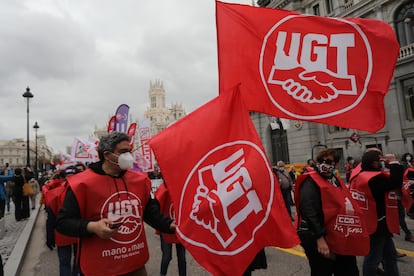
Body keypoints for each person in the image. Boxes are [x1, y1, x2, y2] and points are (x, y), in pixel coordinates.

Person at [56, 132, 176, 276]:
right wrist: (93, 227)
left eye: (130, 151)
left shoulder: (140, 180)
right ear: (107, 155)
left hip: (135, 262)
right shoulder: (81, 184)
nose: (129, 156)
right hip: (100, 267)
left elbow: (150, 212)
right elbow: (63, 223)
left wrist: (170, 225)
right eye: (123, 152)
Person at [295, 148, 369, 276]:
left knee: (349, 269)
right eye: (321, 161)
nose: (324, 164)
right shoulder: (310, 180)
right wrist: (320, 238)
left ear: (335, 163)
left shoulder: (336, 180)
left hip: (337, 232)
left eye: (329, 161)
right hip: (316, 234)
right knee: (323, 270)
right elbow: (308, 210)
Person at [349, 149, 404, 276]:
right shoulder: (371, 179)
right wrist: (394, 162)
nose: (382, 163)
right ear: (374, 163)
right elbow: (395, 182)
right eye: (380, 160)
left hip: (379, 223)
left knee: (390, 257)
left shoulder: (360, 173)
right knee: (373, 259)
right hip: (376, 225)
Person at [46, 165, 80, 276]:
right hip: (78, 231)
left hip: (64, 233)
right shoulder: (82, 192)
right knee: (77, 261)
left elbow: (50, 218)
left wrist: (50, 237)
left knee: (65, 263)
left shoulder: (55, 193)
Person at [154, 182, 186, 276]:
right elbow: (155, 208)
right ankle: (162, 274)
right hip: (165, 227)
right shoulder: (163, 188)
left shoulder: (182, 189)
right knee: (167, 256)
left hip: (179, 228)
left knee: (182, 257)